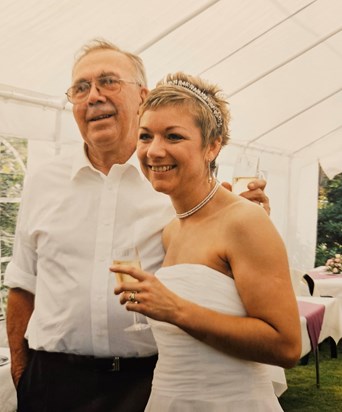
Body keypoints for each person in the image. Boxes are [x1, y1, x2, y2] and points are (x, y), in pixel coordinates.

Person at [5, 40, 271, 412]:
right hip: (52, 383)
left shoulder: (177, 180)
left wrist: (243, 221)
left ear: (143, 97)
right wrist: (22, 373)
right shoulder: (43, 181)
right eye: (81, 88)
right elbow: (22, 285)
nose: (93, 96)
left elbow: (219, 263)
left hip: (146, 384)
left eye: (108, 82)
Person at [113, 72, 301, 411]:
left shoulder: (245, 221)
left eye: (173, 136)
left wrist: (175, 309)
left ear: (212, 145)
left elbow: (286, 347)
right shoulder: (171, 230)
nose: (154, 151)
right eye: (145, 136)